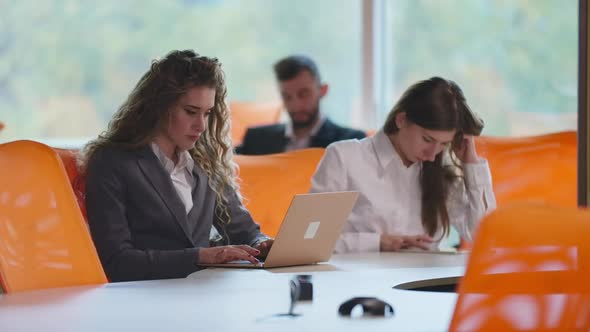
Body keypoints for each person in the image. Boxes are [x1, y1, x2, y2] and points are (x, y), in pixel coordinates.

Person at [82, 50, 273, 282]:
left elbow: (245, 231)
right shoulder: (113, 162)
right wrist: (201, 256)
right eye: (191, 112)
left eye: (208, 113)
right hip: (144, 298)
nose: (201, 125)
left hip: (203, 294)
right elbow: (117, 262)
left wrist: (261, 245)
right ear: (160, 106)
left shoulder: (205, 163)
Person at [310, 77, 496, 253]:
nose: (432, 155)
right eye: (427, 139)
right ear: (401, 120)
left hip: (426, 282)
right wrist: (378, 242)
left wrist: (471, 164)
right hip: (361, 281)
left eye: (443, 144)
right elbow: (311, 240)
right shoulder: (344, 158)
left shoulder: (440, 170)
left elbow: (484, 235)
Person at [235, 55, 366, 155]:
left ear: (323, 90)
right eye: (287, 96)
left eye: (304, 94)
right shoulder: (256, 140)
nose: (295, 105)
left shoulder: (351, 142)